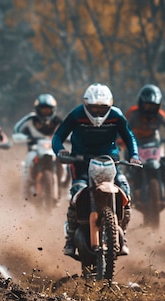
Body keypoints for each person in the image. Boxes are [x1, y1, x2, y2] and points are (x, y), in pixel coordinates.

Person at [52, 83, 141, 257]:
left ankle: (121, 233)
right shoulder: (77, 114)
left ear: (110, 105)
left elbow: (129, 136)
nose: (98, 113)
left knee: (125, 193)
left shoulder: (116, 115)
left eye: (102, 109)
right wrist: (60, 151)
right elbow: (58, 136)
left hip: (110, 161)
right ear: (85, 104)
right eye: (93, 108)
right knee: (76, 195)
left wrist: (134, 155)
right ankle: (70, 239)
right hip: (81, 161)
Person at [125, 84, 165, 204]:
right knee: (129, 168)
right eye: (147, 106)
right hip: (134, 145)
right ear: (141, 103)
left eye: (153, 107)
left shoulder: (160, 115)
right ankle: (130, 192)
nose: (149, 109)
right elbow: (121, 128)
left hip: (154, 144)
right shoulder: (132, 114)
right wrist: (121, 140)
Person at [12, 93, 65, 198]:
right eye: (43, 110)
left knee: (66, 163)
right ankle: (24, 190)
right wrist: (25, 137)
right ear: (37, 109)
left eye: (48, 110)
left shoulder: (58, 121)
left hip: (53, 150)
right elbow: (16, 130)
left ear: (53, 110)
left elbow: (69, 131)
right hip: (34, 149)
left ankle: (66, 191)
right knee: (28, 160)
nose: (45, 113)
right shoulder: (30, 119)